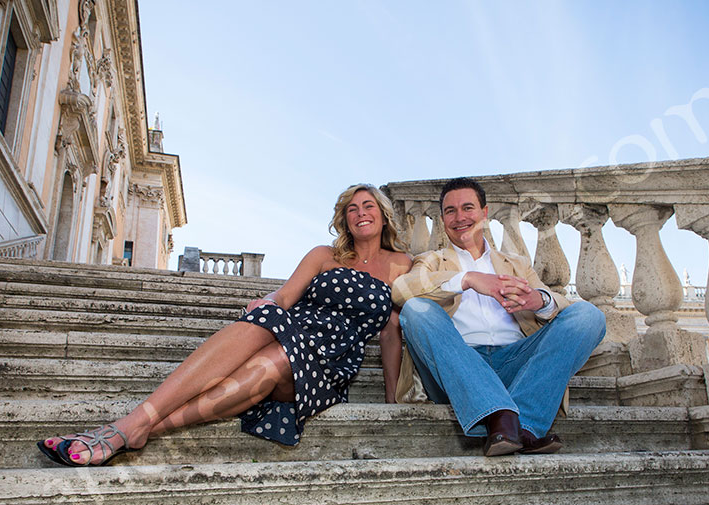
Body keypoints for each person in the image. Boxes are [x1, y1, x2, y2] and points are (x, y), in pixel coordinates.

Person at [38, 184, 412, 466]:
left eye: (368, 206)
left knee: (271, 365)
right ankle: (133, 425)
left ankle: (137, 427)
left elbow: (391, 331)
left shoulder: (402, 265)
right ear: (343, 218)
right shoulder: (323, 255)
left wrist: (392, 398)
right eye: (351, 208)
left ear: (382, 214)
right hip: (295, 327)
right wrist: (262, 305)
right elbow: (283, 298)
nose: (360, 212)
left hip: (330, 360)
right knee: (266, 339)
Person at [392, 177, 605, 456]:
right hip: (457, 367)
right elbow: (401, 289)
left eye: (467, 208)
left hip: (516, 362)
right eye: (450, 211)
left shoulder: (516, 263)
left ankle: (522, 427)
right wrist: (467, 279)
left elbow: (561, 307)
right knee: (415, 310)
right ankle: (501, 415)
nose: (459, 217)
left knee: (589, 315)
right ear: (443, 219)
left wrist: (539, 300)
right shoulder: (432, 259)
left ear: (484, 213)